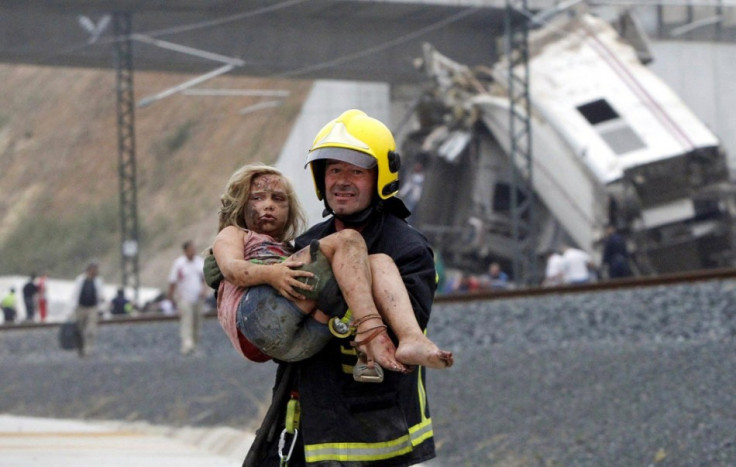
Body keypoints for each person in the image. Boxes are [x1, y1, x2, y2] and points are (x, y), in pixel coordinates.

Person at [242, 109, 442, 466]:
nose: (342, 181)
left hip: (375, 435)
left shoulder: (407, 249)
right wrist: (242, 282)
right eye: (334, 170)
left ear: (381, 176)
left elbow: (399, 331)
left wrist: (321, 304)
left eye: (356, 171)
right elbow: (278, 335)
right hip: (302, 429)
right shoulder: (308, 242)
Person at [212, 164, 452, 377]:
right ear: (240, 203)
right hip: (256, 316)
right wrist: (272, 274)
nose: (269, 206)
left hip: (301, 342)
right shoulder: (235, 234)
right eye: (257, 198)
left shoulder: (292, 247)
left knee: (377, 262)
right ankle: (371, 331)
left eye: (278, 199)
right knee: (348, 240)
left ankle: (411, 338)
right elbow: (233, 269)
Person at [168, 240, 207, 355]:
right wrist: (170, 297)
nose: (193, 252)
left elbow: (205, 279)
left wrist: (204, 290)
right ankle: (187, 344)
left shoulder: (199, 263)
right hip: (184, 298)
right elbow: (172, 281)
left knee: (197, 322)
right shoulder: (179, 264)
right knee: (187, 320)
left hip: (198, 297)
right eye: (190, 249)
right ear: (185, 251)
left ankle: (194, 344)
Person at [69, 261, 105, 357]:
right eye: (93, 269)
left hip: (92, 308)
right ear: (88, 270)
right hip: (80, 307)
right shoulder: (80, 280)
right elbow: (75, 293)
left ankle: (88, 349)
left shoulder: (98, 281)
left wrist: (101, 307)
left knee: (91, 330)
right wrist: (72, 307)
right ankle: (80, 348)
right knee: (79, 329)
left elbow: (100, 294)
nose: (95, 271)